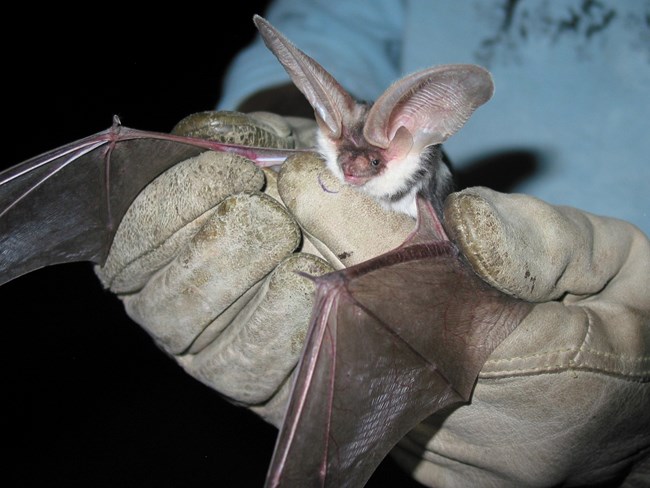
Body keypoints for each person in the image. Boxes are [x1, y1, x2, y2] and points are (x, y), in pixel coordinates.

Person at [95, 1, 650, 486]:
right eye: (346, 156)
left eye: (372, 162)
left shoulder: (417, 169)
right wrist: (282, 113)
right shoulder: (338, 141)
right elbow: (335, 21)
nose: (355, 169)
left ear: (407, 145)